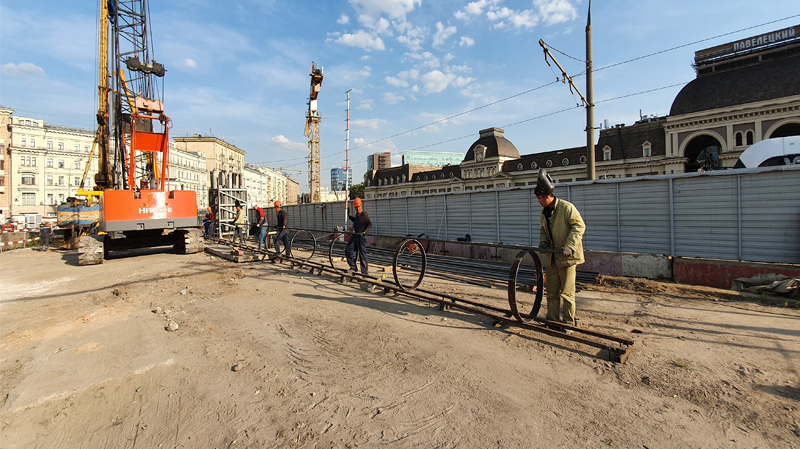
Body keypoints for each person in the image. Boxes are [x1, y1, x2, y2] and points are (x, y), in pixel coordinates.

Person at [535, 168, 586, 332]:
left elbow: (579, 226)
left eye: (539, 198)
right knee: (551, 292)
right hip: (552, 258)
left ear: (547, 196)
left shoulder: (566, 208)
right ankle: (553, 320)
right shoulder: (544, 212)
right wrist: (543, 242)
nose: (538, 201)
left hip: (567, 258)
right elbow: (543, 230)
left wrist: (570, 245)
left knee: (567, 293)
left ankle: (568, 323)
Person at [345, 197, 372, 275]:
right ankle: (353, 267)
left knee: (362, 255)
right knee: (348, 251)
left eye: (358, 206)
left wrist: (364, 232)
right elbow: (357, 221)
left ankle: (364, 273)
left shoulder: (364, 214)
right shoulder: (357, 215)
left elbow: (369, 224)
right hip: (355, 236)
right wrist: (349, 216)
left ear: (361, 205)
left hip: (361, 237)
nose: (357, 208)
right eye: (356, 207)